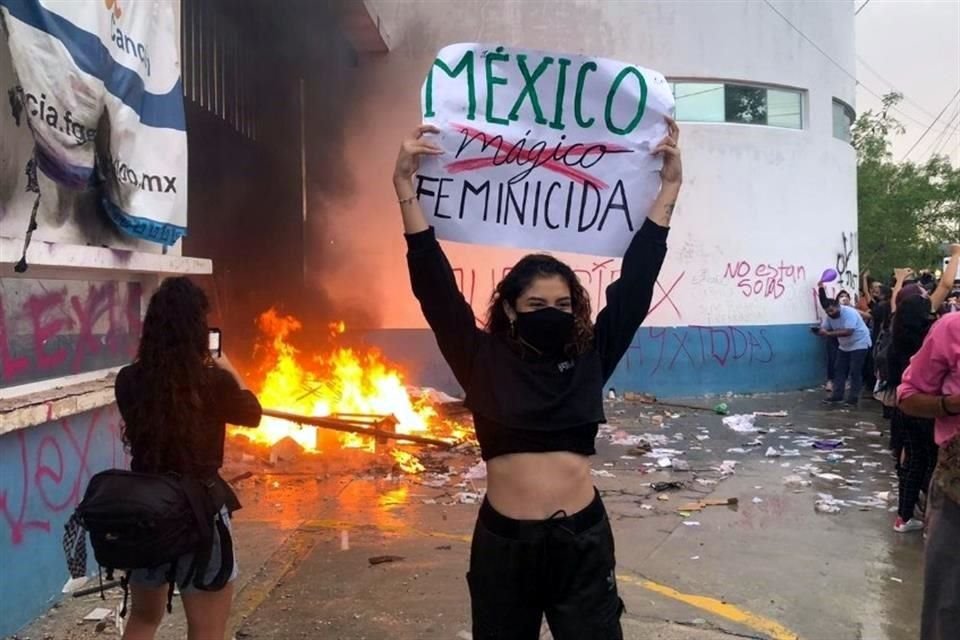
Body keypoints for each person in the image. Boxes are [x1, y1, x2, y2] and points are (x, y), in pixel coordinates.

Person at [394, 120, 681, 638]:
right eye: (536, 304)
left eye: (563, 304)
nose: (551, 312)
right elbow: (434, 288)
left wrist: (669, 191)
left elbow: (636, 286)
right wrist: (405, 192)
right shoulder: (479, 358)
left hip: (582, 542)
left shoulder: (593, 353)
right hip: (505, 549)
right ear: (508, 308)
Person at [115, 277, 262, 640]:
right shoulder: (214, 383)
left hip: (145, 512)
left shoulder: (128, 380)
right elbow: (252, 413)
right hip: (200, 514)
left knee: (144, 618)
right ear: (198, 330)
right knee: (206, 629)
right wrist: (222, 364)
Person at [898, 312, 960, 640]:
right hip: (956, 493)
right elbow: (907, 398)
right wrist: (951, 404)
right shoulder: (952, 328)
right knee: (948, 608)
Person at [887, 295, 938, 532]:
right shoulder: (928, 339)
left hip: (904, 406)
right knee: (929, 462)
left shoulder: (897, 336)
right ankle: (931, 517)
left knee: (911, 462)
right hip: (926, 407)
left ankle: (904, 516)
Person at [817, 296, 872, 408]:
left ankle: (853, 398)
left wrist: (828, 334)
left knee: (855, 371)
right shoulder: (830, 316)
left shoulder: (849, 313)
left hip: (859, 342)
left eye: (832, 310)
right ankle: (837, 395)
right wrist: (820, 330)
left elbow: (848, 331)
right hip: (845, 345)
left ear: (838, 306)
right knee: (839, 369)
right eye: (827, 312)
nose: (830, 313)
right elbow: (825, 327)